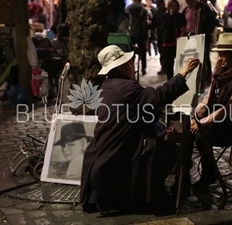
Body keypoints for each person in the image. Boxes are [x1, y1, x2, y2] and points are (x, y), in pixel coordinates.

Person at [80, 45, 200, 215]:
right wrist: (183, 73)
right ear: (122, 66)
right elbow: (159, 96)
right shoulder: (127, 88)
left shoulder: (105, 87)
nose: (131, 66)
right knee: (168, 149)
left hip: (102, 155)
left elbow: (137, 110)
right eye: (129, 63)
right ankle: (151, 196)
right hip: (116, 156)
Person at [187, 33, 232, 189]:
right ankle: (183, 175)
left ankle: (209, 174)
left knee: (201, 137)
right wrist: (198, 113)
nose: (220, 57)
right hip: (217, 123)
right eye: (219, 53)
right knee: (187, 132)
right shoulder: (219, 72)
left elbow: (231, 107)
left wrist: (203, 122)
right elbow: (209, 98)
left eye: (224, 53)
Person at [182, 0, 218, 89]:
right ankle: (193, 77)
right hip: (189, 36)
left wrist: (205, 32)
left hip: (202, 36)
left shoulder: (202, 7)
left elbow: (212, 21)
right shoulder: (186, 9)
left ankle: (207, 78)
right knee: (191, 57)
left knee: (204, 57)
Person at [161, 0, 186, 80]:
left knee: (180, 62)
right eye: (171, 6)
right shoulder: (165, 16)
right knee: (169, 62)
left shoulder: (180, 16)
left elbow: (182, 25)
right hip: (168, 42)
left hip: (179, 41)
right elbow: (165, 26)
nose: (173, 8)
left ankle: (180, 78)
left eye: (174, 6)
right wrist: (171, 15)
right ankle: (170, 79)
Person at [125, 0, 148, 75]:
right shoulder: (143, 10)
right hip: (140, 33)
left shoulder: (127, 9)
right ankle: (143, 68)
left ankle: (131, 68)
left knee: (130, 51)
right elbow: (144, 24)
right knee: (143, 51)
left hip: (131, 33)